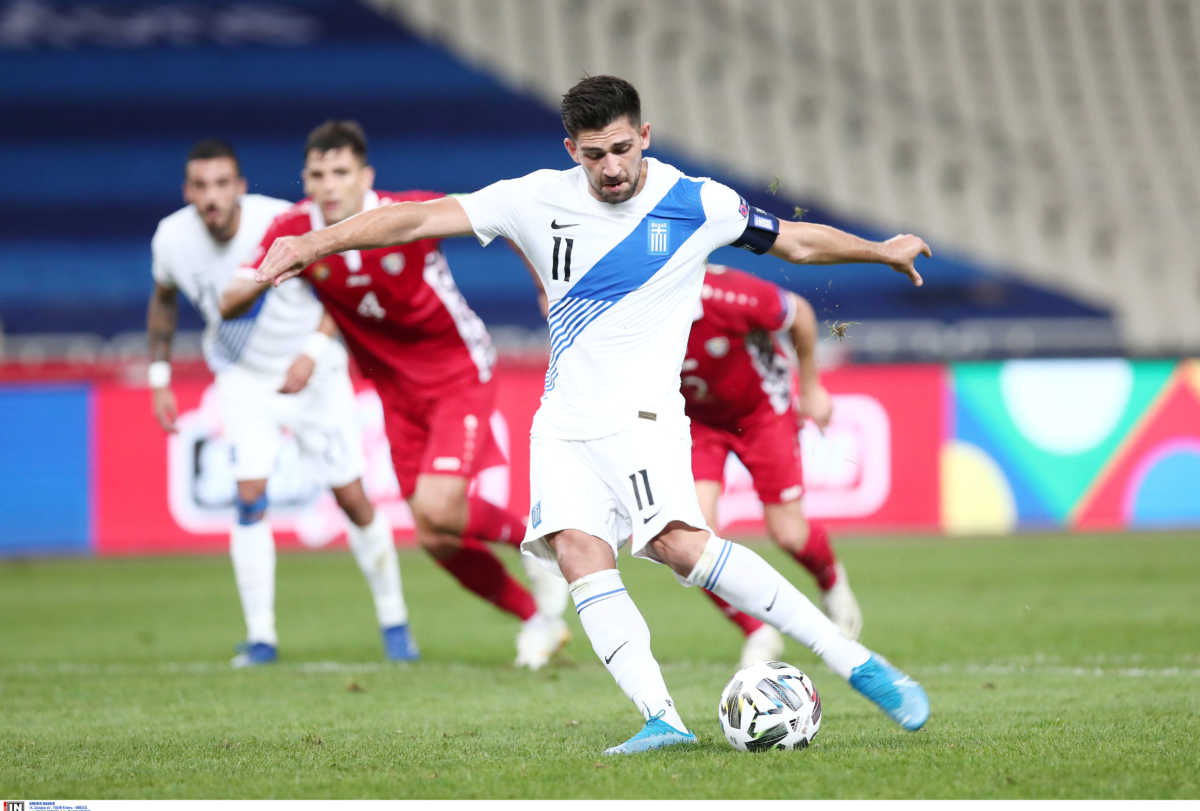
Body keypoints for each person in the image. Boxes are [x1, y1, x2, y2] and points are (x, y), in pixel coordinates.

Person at [252, 77, 933, 753]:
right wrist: (315, 243)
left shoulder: (697, 203)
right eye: (593, 154)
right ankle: (661, 717)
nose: (610, 168)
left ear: (644, 136)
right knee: (576, 551)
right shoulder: (534, 197)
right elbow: (417, 219)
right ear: (571, 150)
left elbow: (796, 243)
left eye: (621, 149)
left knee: (678, 545)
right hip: (561, 423)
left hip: (642, 416)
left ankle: (853, 660)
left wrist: (881, 251)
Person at [219, 121, 569, 670]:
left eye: (341, 172)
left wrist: (545, 289)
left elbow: (506, 220)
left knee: (438, 506)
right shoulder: (295, 231)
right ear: (304, 181)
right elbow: (232, 299)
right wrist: (257, 281)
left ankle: (544, 541)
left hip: (456, 370)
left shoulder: (406, 213)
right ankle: (536, 618)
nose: (329, 185)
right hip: (393, 389)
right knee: (434, 535)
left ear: (366, 177)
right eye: (318, 175)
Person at [147, 139, 416, 668]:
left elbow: (345, 289)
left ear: (240, 187)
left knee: (352, 498)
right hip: (243, 377)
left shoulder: (282, 222)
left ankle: (395, 623)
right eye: (200, 186)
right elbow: (164, 300)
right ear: (187, 192)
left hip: (313, 371)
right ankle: (261, 638)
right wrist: (159, 378)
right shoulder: (172, 238)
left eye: (221, 184)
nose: (212, 197)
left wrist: (313, 352)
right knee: (249, 496)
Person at [684, 263, 862, 669]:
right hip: (696, 422)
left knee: (789, 534)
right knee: (692, 541)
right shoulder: (635, 301)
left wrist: (811, 388)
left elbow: (800, 313)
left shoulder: (729, 294)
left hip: (763, 412)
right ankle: (757, 631)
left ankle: (831, 581)